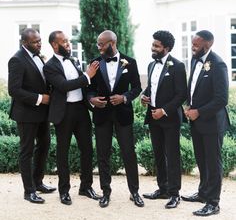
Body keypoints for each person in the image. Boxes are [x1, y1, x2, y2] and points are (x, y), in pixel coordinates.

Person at [88, 30, 144, 208]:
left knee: (129, 153)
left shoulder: (131, 62)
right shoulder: (94, 63)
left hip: (123, 115)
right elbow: (88, 88)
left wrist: (124, 97)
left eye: (101, 44)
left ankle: (134, 192)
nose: (99, 47)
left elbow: (136, 87)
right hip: (102, 114)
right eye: (98, 44)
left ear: (112, 43)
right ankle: (105, 192)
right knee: (103, 154)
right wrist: (92, 99)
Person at [43, 31, 100, 205]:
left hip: (81, 110)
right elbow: (63, 86)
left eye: (68, 41)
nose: (68, 44)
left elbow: (81, 86)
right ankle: (64, 191)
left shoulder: (73, 60)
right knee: (63, 153)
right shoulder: (49, 66)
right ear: (54, 44)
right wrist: (87, 76)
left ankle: (86, 187)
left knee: (88, 150)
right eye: (65, 42)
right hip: (64, 112)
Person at [182, 30, 230, 216]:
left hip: (212, 123)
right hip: (196, 121)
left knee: (213, 162)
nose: (192, 47)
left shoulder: (219, 65)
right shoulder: (195, 60)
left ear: (208, 44)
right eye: (192, 43)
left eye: (196, 44)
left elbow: (221, 99)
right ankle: (203, 193)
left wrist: (198, 112)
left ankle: (213, 202)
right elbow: (193, 87)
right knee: (201, 160)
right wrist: (188, 105)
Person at [8, 28, 56, 204]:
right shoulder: (16, 59)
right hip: (26, 113)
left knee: (44, 145)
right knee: (26, 151)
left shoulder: (39, 57)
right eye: (35, 42)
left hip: (42, 112)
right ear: (25, 43)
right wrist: (39, 98)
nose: (39, 44)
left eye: (40, 40)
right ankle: (29, 192)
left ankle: (38, 182)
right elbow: (14, 90)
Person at [141, 30, 187, 209]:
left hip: (170, 119)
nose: (152, 48)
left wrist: (164, 110)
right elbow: (151, 88)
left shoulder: (177, 66)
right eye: (153, 44)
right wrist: (144, 97)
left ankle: (175, 193)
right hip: (153, 117)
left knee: (172, 156)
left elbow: (181, 94)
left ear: (166, 48)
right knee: (158, 154)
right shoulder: (151, 65)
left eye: (156, 46)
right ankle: (163, 189)